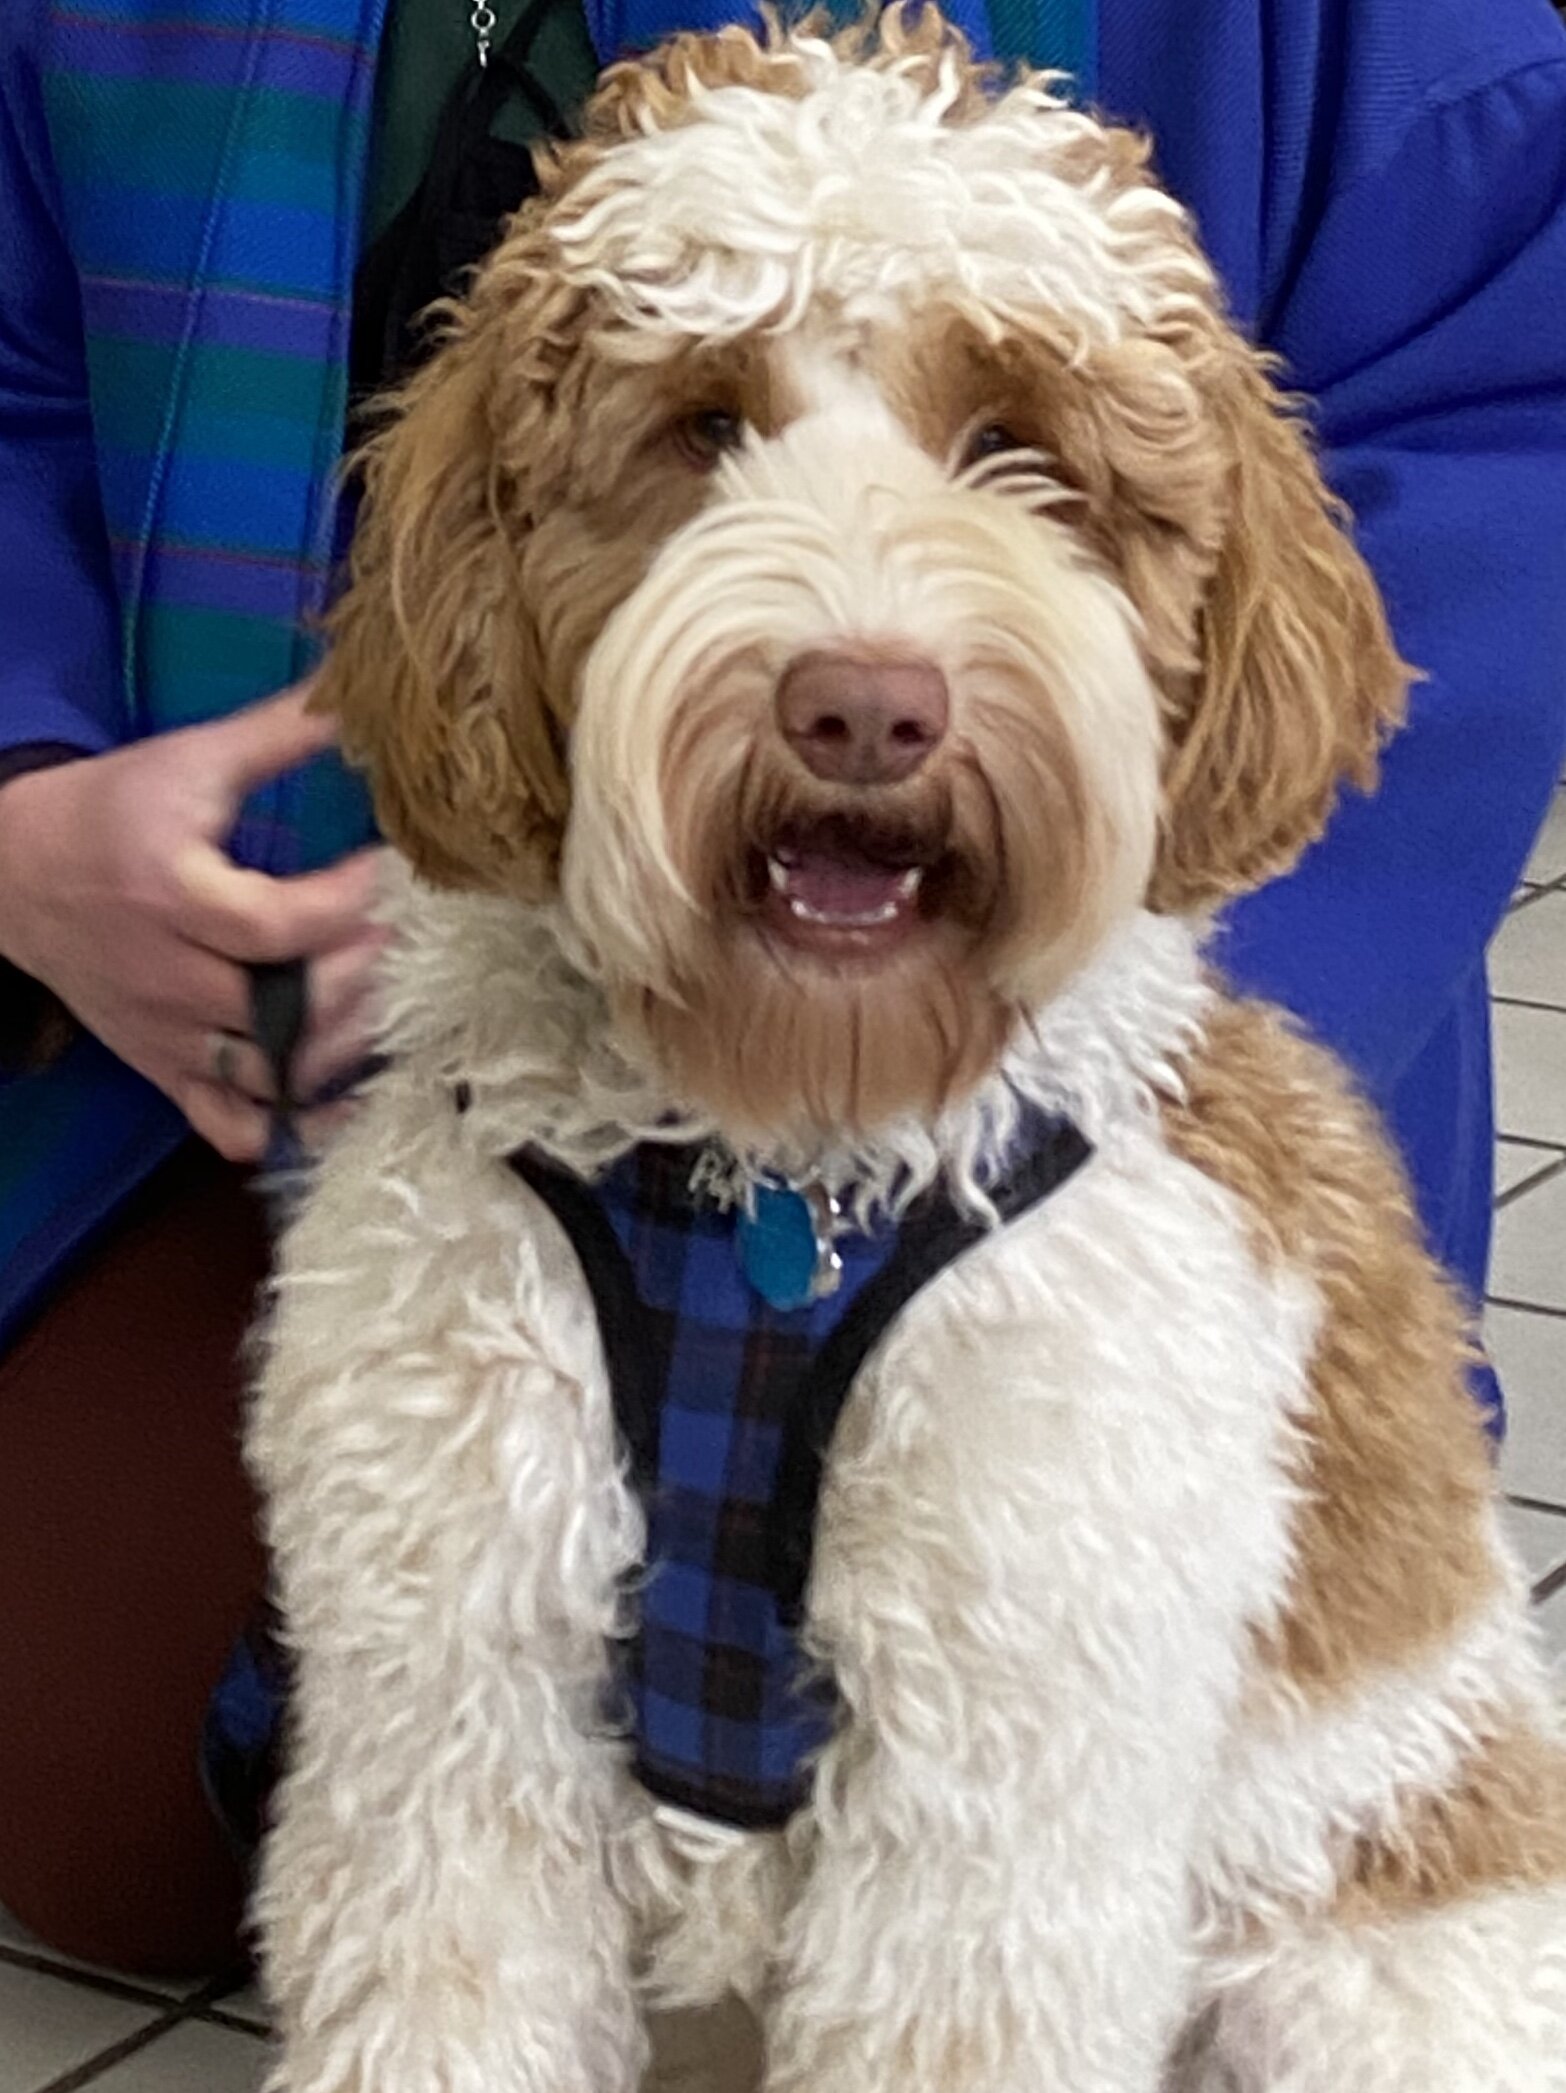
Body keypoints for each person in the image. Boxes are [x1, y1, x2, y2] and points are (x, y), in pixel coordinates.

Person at [1, 0, 1563, 1979]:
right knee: (123, 1793)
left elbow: (1507, 428)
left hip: (1075, 1062)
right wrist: (23, 803)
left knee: (1049, 1741)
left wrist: (1066, 981)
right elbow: (9, 372)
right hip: (270, 1064)